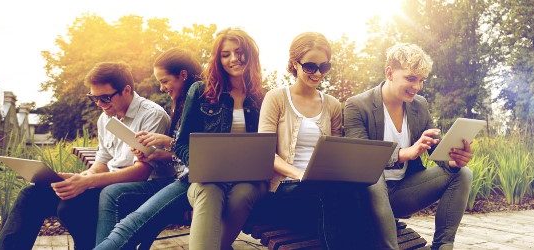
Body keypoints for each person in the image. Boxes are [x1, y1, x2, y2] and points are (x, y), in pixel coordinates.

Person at [0, 62, 171, 250]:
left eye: (105, 98)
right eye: (94, 98)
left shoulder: (152, 115)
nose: (99, 104)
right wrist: (76, 178)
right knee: (32, 195)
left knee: (72, 207)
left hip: (139, 188)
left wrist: (87, 182)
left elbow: (141, 172)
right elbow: (101, 164)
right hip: (106, 183)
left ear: (126, 90)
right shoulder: (105, 118)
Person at [343, 43, 474, 250]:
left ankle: (443, 246)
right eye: (411, 78)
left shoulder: (419, 105)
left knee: (462, 173)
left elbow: (434, 148)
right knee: (373, 175)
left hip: (403, 192)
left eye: (421, 80)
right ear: (389, 72)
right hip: (367, 197)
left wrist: (453, 159)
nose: (417, 86)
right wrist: (405, 153)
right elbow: (361, 157)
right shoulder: (357, 105)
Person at [258, 32, 364, 249]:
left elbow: (336, 153)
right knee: (333, 197)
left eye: (324, 67)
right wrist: (300, 174)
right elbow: (265, 153)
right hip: (285, 190)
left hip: (324, 190)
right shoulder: (276, 98)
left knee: (355, 192)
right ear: (294, 64)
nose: (317, 73)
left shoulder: (333, 105)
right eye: (310, 66)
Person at [93, 48, 202, 249]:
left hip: (191, 183)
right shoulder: (180, 103)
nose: (161, 88)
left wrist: (167, 142)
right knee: (124, 221)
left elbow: (201, 156)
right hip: (181, 179)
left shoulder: (201, 101)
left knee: (127, 220)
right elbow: (182, 156)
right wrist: (157, 154)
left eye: (165, 81)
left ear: (183, 75)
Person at [181, 28, 268, 250]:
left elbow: (270, 144)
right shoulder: (200, 91)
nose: (233, 59)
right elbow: (181, 143)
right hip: (208, 179)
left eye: (239, 52)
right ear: (218, 59)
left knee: (243, 194)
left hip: (248, 180)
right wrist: (201, 165)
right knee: (209, 190)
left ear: (250, 55)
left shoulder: (262, 96)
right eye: (225, 54)